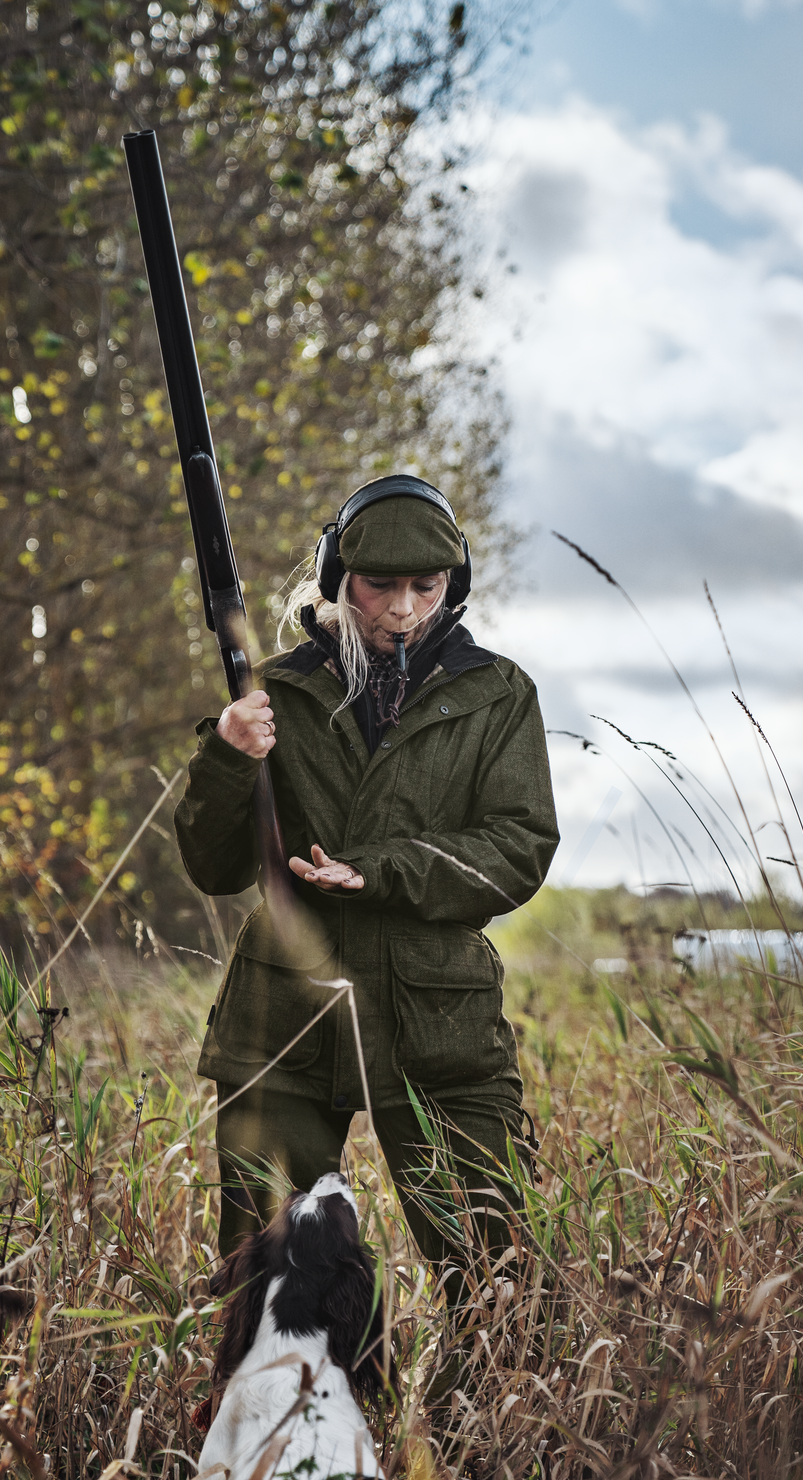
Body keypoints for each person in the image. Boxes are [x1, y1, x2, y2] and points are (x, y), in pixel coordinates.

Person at [174, 476, 559, 1284]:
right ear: (336, 577)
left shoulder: (498, 695)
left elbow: (518, 848)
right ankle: (289, 1412)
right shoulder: (269, 694)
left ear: (453, 581)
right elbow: (213, 868)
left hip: (439, 1024)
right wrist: (226, 757)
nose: (403, 607)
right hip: (284, 1019)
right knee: (271, 1279)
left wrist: (381, 871)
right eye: (379, 583)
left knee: (500, 1279)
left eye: (426, 585)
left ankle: (478, 1418)